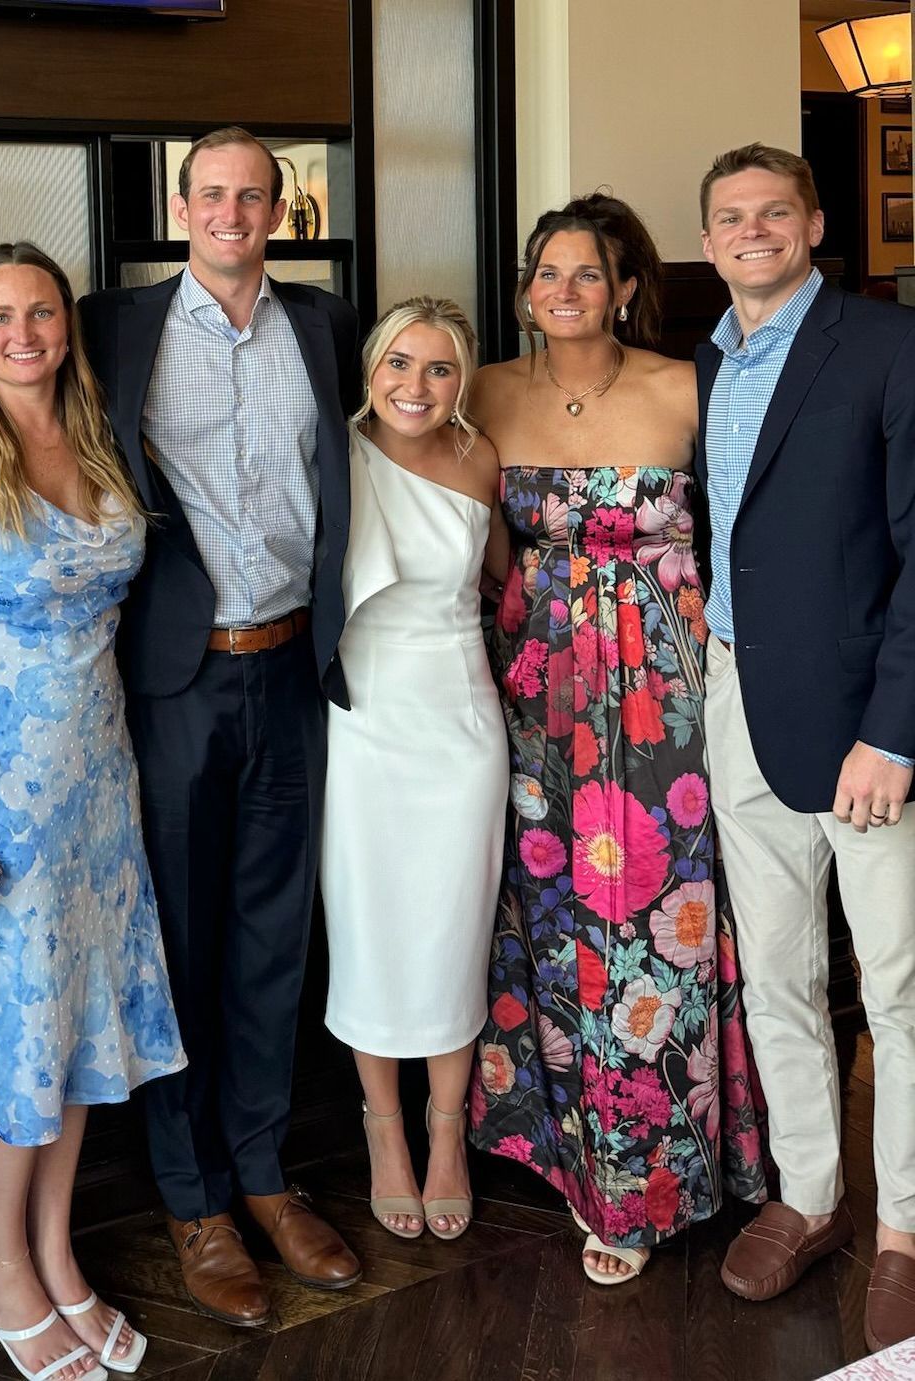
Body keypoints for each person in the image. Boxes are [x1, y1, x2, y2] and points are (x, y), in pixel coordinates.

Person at [78, 126, 362, 1327]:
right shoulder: (112, 327)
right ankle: (191, 1196)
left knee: (272, 940)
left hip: (295, 666)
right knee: (179, 941)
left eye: (255, 194)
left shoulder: (327, 324)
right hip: (174, 679)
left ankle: (262, 1172)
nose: (233, 210)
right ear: (181, 205)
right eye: (212, 193)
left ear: (281, 210)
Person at [468, 193, 768, 1285]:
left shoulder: (688, 385)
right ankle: (562, 1152)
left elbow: (752, 531)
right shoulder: (488, 391)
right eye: (546, 274)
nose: (564, 293)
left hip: (666, 701)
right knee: (548, 919)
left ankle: (655, 1171)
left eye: (586, 274)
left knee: (662, 921)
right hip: (538, 696)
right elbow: (461, 525)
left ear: (627, 286)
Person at [0, 241, 185, 1381]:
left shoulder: (103, 432)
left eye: (42, 311)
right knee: (13, 1039)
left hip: (97, 785)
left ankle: (56, 1253)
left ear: (68, 321)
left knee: (72, 1030)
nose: (23, 332)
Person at [693, 144, 915, 1351]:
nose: (753, 230)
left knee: (898, 988)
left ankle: (905, 1232)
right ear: (711, 236)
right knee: (776, 974)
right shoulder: (714, 356)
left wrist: (895, 731)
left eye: (774, 211)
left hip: (865, 733)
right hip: (739, 710)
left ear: (815, 223)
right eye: (731, 217)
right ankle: (815, 1196)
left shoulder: (888, 347)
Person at [322, 297, 509, 1244]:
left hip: (462, 724)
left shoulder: (481, 456)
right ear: (370, 369)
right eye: (400, 364)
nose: (417, 386)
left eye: (439, 369)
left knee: (450, 928)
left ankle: (448, 1135)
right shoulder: (336, 451)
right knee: (369, 927)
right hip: (362, 726)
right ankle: (383, 1130)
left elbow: (505, 578)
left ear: (463, 380)